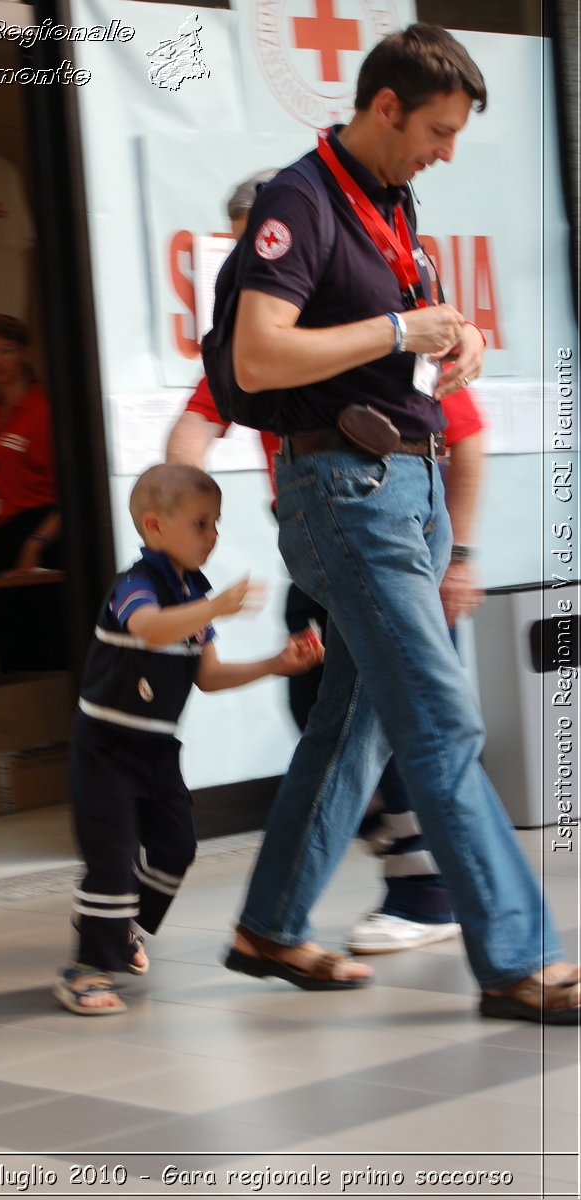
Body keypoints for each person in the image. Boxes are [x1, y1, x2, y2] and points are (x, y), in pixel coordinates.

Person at [220, 24, 578, 1022]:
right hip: (348, 495)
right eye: (438, 129)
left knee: (355, 724)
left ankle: (269, 926)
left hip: (403, 489)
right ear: (386, 107)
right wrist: (395, 330)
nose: (446, 150)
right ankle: (519, 959)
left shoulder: (387, 199)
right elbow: (257, 358)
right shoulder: (299, 200)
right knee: (441, 719)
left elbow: (398, 332)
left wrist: (445, 341)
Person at [169, 374, 485, 952]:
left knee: (400, 723)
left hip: (400, 543)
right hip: (322, 546)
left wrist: (459, 556)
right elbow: (196, 424)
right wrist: (182, 513)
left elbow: (466, 439)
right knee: (322, 712)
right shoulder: (259, 341)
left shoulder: (383, 323)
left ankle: (428, 895)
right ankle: (372, 862)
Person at [55, 462, 325, 1014]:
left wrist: (276, 663)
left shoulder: (193, 590)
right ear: (154, 528)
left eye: (217, 523)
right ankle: (88, 966)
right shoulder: (135, 587)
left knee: (177, 848)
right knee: (111, 859)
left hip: (156, 751)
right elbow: (150, 629)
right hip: (106, 751)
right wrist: (214, 607)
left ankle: (120, 927)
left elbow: (208, 675)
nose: (213, 535)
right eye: (201, 523)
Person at [0, 314, 65, 671]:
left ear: (23, 352)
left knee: (44, 638)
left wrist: (37, 541)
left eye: (4, 351)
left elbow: (68, 494)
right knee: (8, 642)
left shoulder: (43, 410)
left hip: (40, 530)